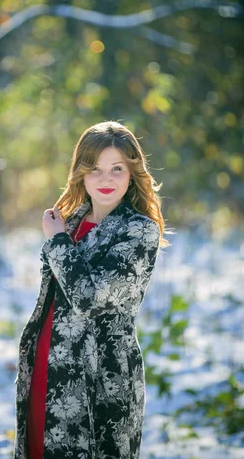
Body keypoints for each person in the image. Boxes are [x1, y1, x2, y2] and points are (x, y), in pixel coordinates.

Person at [13, 120, 170, 459]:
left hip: (103, 375)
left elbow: (89, 297)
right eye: (95, 169)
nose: (106, 179)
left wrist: (56, 241)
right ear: (81, 172)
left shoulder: (138, 232)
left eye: (116, 168)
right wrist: (61, 235)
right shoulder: (68, 223)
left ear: (132, 173)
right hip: (49, 364)